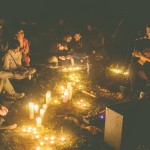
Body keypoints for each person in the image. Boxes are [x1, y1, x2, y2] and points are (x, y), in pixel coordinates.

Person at [129, 24, 150, 98]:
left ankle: (134, 91)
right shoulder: (147, 43)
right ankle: (136, 91)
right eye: (147, 32)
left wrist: (141, 56)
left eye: (149, 32)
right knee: (132, 66)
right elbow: (143, 58)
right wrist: (138, 54)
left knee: (133, 67)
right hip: (145, 68)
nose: (147, 34)